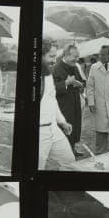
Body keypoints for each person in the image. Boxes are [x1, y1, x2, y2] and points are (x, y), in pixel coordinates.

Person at [39, 41, 75, 169]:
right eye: (51, 56)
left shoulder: (48, 75)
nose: (54, 61)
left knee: (69, 162)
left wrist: (62, 122)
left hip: (53, 128)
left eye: (55, 56)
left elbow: (52, 100)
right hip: (39, 132)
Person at [52, 45, 85, 154]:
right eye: (75, 57)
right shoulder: (56, 68)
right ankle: (66, 153)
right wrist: (66, 83)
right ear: (66, 55)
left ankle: (72, 149)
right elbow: (52, 89)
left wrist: (80, 84)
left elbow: (81, 81)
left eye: (78, 57)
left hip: (75, 103)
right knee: (66, 128)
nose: (77, 59)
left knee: (75, 127)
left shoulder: (75, 67)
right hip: (63, 106)